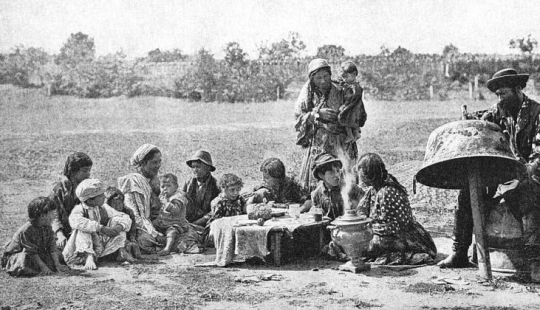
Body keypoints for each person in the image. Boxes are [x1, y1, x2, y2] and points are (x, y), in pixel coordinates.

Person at [438, 68, 540, 277]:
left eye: (504, 93)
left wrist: (526, 171)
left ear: (518, 89)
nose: (500, 99)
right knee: (468, 192)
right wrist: (468, 121)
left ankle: (535, 261)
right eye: (498, 95)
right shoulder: (500, 110)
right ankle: (459, 252)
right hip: (507, 172)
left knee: (528, 198)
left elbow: (539, 156)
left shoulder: (537, 113)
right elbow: (482, 121)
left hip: (532, 173)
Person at [295, 58, 364, 190]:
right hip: (320, 143)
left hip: (341, 142)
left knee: (344, 179)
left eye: (326, 76)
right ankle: (319, 199)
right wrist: (317, 113)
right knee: (321, 176)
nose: (323, 81)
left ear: (330, 75)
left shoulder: (340, 89)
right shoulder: (307, 94)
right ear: (312, 79)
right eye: (318, 78)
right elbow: (299, 117)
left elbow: (356, 112)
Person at [358, 153, 437, 265]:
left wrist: (369, 228)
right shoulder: (373, 190)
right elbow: (361, 211)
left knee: (368, 245)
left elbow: (394, 226)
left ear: (368, 173)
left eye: (360, 171)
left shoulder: (387, 192)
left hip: (404, 236)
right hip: (384, 233)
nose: (359, 175)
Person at [62, 179, 133, 270]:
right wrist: (101, 228)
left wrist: (119, 227)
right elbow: (76, 221)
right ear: (90, 200)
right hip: (83, 247)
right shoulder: (79, 209)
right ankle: (89, 257)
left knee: (117, 220)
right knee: (83, 229)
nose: (104, 197)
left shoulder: (103, 207)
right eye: (100, 195)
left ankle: (121, 251)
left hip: (100, 243)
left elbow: (124, 216)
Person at [2, 197, 70, 277]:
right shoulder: (26, 230)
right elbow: (31, 252)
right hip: (22, 254)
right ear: (42, 215)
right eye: (51, 213)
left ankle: (40, 267)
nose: (54, 216)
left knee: (58, 253)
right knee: (24, 258)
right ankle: (32, 269)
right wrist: (44, 267)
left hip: (38, 253)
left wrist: (57, 264)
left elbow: (52, 246)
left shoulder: (47, 227)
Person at [118, 144, 166, 254]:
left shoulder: (154, 180)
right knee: (145, 240)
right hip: (137, 226)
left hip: (152, 223)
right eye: (154, 162)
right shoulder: (133, 181)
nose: (158, 165)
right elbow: (137, 216)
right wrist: (155, 233)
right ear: (143, 163)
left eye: (159, 161)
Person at [50, 152, 93, 250]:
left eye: (89, 170)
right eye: (84, 171)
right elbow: (53, 215)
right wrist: (59, 234)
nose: (88, 174)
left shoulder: (86, 187)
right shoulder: (60, 189)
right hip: (61, 231)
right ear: (73, 171)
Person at [304, 153, 363, 220]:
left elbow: (364, 206)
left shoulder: (350, 188)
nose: (337, 175)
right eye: (331, 172)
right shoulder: (317, 194)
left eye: (338, 171)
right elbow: (315, 214)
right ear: (321, 175)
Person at [153, 173, 191, 255]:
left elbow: (176, 210)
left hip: (176, 223)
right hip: (163, 222)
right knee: (152, 225)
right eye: (162, 187)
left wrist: (167, 203)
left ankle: (167, 248)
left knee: (172, 232)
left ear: (176, 187)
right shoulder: (162, 196)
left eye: (168, 186)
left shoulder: (178, 197)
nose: (165, 189)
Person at [182, 150, 220, 227]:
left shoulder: (216, 185)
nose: (195, 170)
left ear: (208, 168)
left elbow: (214, 211)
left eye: (198, 167)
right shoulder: (188, 183)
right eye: (193, 167)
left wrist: (195, 224)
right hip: (188, 221)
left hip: (206, 223)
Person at [104, 186, 142, 259]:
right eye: (114, 204)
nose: (118, 206)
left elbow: (132, 229)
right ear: (109, 204)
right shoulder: (107, 213)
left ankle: (129, 249)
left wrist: (132, 239)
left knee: (133, 244)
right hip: (112, 237)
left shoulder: (128, 211)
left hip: (125, 236)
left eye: (120, 203)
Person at [335, 61, 367, 144]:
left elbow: (351, 98)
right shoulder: (352, 85)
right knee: (351, 121)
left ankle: (350, 135)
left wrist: (344, 105)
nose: (344, 79)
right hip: (354, 108)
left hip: (352, 108)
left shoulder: (355, 87)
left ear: (354, 74)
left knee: (344, 118)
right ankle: (356, 133)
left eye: (346, 77)